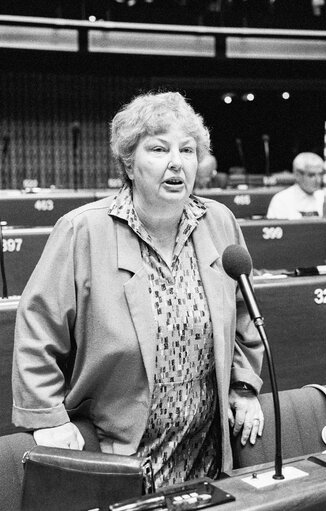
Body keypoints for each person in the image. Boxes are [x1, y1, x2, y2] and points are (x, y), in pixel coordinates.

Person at [12, 91, 264, 488]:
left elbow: (245, 314)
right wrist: (48, 418)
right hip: (119, 452)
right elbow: (37, 328)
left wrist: (245, 386)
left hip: (207, 450)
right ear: (129, 163)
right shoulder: (83, 230)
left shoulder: (219, 222)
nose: (177, 162)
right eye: (159, 149)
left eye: (188, 149)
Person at [267, 152, 326, 219]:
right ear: (297, 175)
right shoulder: (281, 200)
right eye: (311, 175)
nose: (318, 180)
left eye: (320, 174)